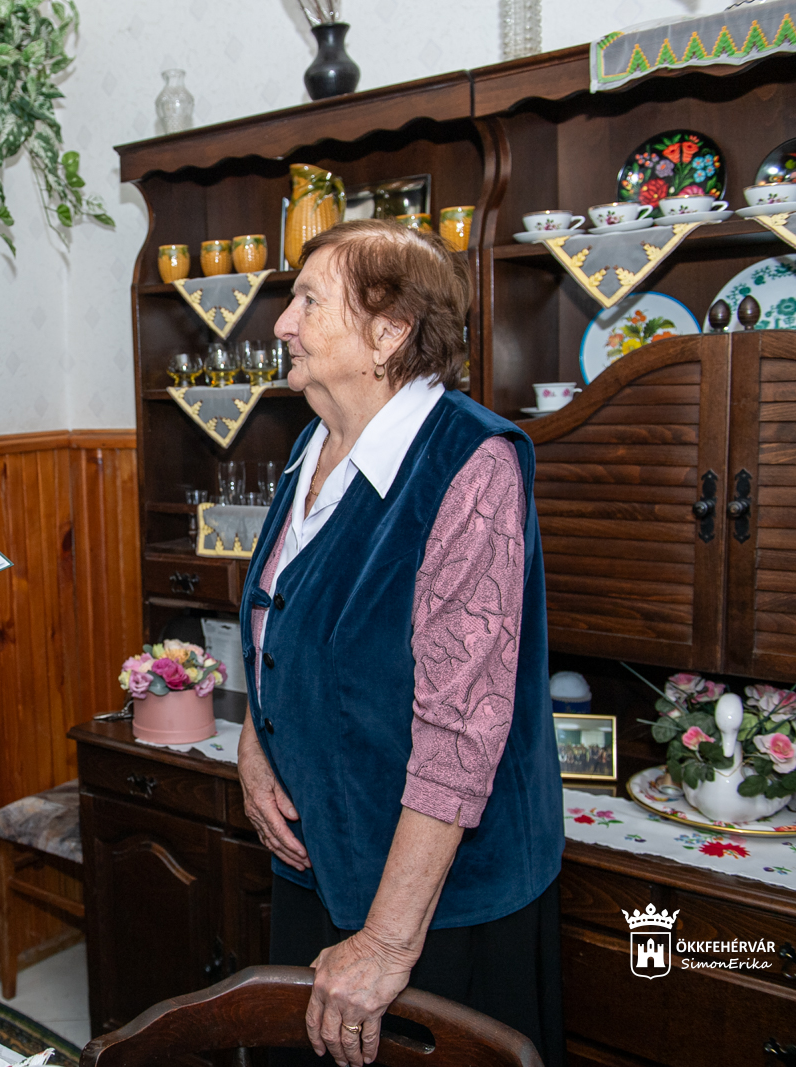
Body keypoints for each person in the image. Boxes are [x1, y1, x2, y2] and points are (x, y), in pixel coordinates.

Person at [236, 220, 564, 1067]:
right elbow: (284, 621)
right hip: (320, 861)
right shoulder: (316, 439)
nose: (282, 323)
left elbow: (461, 733)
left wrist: (385, 944)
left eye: (309, 301)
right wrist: (256, 743)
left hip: (432, 906)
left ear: (389, 332)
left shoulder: (471, 464)